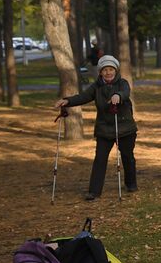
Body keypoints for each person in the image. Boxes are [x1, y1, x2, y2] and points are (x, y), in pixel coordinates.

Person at [55, 54, 137, 200]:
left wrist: (118, 95)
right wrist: (67, 101)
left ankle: (131, 184)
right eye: (105, 70)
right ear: (100, 72)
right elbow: (83, 97)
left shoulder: (122, 83)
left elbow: (125, 92)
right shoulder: (96, 87)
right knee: (100, 158)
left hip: (124, 127)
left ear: (116, 70)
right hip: (104, 128)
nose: (108, 72)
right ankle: (94, 191)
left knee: (127, 156)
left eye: (111, 69)